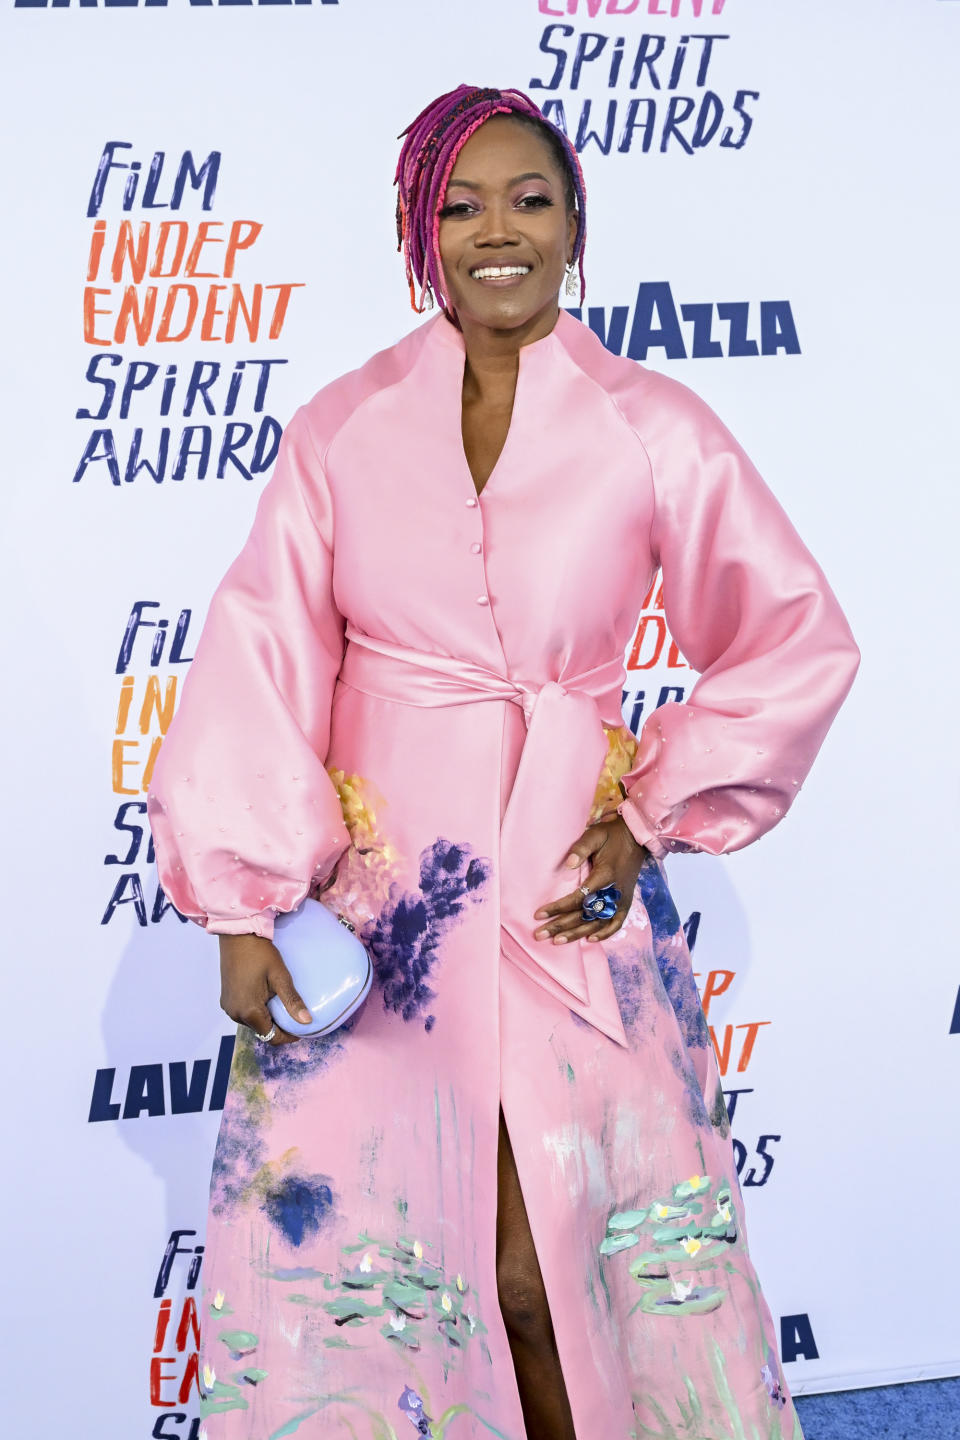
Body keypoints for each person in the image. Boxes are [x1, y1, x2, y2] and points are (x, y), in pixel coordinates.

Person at [148, 84, 859, 1440]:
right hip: (381, 918)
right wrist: (241, 905)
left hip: (559, 895)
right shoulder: (343, 428)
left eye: (530, 199)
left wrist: (650, 813)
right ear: (420, 232)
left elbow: (793, 640)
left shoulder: (655, 426)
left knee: (551, 1274)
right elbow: (259, 654)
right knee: (392, 1276)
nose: (499, 232)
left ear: (576, 223)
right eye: (462, 204)